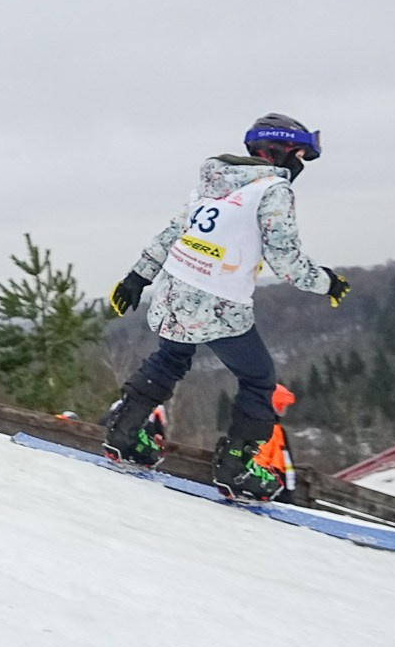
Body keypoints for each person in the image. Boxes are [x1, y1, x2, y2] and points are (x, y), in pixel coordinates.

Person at [101, 114, 350, 501]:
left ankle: (125, 432)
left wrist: (138, 277)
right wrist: (327, 282)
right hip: (218, 299)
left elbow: (172, 233)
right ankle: (236, 467)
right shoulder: (272, 190)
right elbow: (286, 261)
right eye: (299, 155)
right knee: (260, 380)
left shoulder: (213, 182)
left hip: (177, 287)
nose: (299, 165)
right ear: (280, 151)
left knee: (171, 357)